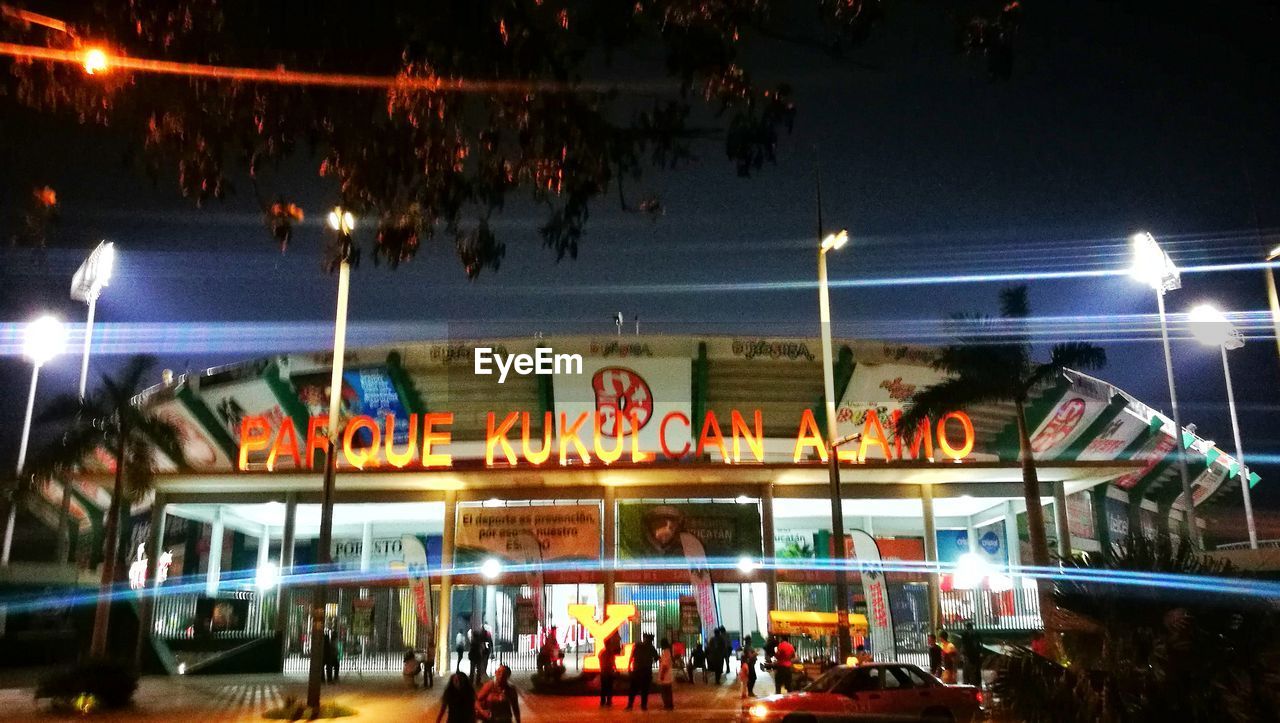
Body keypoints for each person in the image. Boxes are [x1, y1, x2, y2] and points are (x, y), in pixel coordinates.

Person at [626, 632, 659, 711]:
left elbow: (631, 657)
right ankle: (643, 706)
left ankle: (630, 705)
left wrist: (629, 667)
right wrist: (651, 662)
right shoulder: (651, 648)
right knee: (644, 690)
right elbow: (657, 658)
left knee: (633, 689)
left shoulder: (637, 646)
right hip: (646, 671)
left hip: (637, 671)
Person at [599, 629, 621, 707]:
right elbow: (612, 662)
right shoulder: (610, 653)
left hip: (603, 672)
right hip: (608, 672)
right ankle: (608, 701)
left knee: (603, 687)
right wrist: (615, 669)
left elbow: (601, 661)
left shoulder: (601, 653)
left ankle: (603, 701)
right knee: (609, 687)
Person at [961, 622, 984, 687]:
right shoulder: (975, 633)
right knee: (975, 669)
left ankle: (971, 683)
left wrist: (963, 654)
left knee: (970, 669)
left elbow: (963, 645)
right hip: (974, 655)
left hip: (970, 655)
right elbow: (981, 643)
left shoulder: (965, 634)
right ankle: (976, 683)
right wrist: (981, 652)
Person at [657, 638, 675, 710]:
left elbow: (665, 665)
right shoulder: (669, 652)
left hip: (665, 675)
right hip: (669, 674)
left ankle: (667, 705)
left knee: (664, 692)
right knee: (668, 691)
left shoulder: (666, 652)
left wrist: (662, 675)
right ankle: (670, 705)